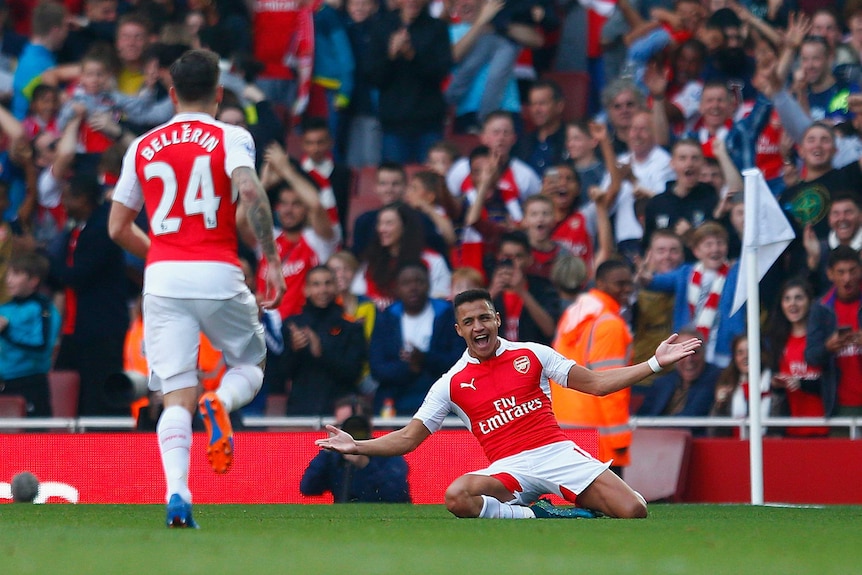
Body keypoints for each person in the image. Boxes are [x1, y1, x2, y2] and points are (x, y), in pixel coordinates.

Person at [316, 288, 700, 519]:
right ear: (459, 330)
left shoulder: (533, 354)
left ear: (497, 320)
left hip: (556, 453)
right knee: (457, 497)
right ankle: (536, 515)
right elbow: (409, 439)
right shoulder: (450, 383)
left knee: (635, 510)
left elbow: (598, 384)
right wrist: (356, 445)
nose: (478, 327)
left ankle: (568, 502)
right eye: (469, 322)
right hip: (510, 470)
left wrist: (653, 362)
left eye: (485, 317)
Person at [108, 49, 286, 528]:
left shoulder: (142, 145)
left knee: (174, 396)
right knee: (249, 363)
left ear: (171, 94)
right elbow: (250, 192)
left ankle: (178, 495)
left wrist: (162, 256)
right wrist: (271, 259)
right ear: (219, 93)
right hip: (219, 270)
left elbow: (117, 226)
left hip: (163, 278)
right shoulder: (231, 136)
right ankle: (221, 402)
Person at [49, 173, 129, 416]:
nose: (64, 204)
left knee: (98, 395)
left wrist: (48, 263)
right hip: (77, 329)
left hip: (101, 329)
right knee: (66, 390)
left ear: (83, 199)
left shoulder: (102, 227)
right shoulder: (79, 228)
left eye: (68, 198)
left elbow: (78, 276)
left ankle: (102, 446)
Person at [551, 259, 636, 473]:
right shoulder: (610, 324)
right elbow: (611, 386)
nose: (626, 289)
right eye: (619, 283)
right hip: (602, 437)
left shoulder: (574, 315)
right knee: (616, 506)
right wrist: (619, 439)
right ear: (600, 283)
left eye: (629, 283)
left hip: (568, 429)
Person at [369, 260, 465, 413]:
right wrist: (409, 367)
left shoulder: (447, 314)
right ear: (397, 288)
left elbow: (459, 360)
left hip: (441, 396)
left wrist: (424, 359)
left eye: (419, 281)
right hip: (396, 397)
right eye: (406, 283)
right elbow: (377, 368)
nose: (413, 288)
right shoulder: (386, 317)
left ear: (428, 284)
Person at [280, 265, 367, 416]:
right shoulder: (292, 325)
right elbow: (279, 375)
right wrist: (293, 350)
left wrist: (321, 352)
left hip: (340, 413)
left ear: (336, 287)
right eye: (316, 284)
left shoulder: (352, 327)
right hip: (301, 412)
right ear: (306, 290)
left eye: (328, 283)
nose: (323, 290)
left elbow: (354, 373)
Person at [301, 398, 410, 503]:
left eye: (354, 424)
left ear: (368, 424)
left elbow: (397, 494)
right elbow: (308, 488)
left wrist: (365, 464)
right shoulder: (334, 457)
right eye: (342, 425)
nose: (348, 430)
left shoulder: (387, 452)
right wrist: (328, 450)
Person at [766, 277, 831, 437]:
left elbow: (832, 382)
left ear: (810, 302)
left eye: (798, 298)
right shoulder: (777, 341)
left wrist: (801, 383)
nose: (792, 304)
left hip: (826, 427)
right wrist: (776, 384)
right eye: (787, 299)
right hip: (791, 428)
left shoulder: (824, 338)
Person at [805, 246, 862, 425]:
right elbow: (811, 356)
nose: (847, 278)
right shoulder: (820, 308)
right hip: (839, 408)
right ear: (830, 274)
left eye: (852, 271)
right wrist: (828, 347)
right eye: (841, 272)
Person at [0, 251, 61, 417]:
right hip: (4, 384)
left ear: (33, 280)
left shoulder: (44, 309)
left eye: (17, 274)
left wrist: (7, 332)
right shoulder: (5, 308)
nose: (9, 280)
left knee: (33, 438)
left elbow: (41, 346)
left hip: (30, 384)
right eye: (9, 274)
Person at [637, 327, 719, 433]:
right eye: (683, 353)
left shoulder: (715, 378)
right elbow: (641, 418)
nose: (689, 359)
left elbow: (691, 418)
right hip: (654, 443)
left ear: (704, 353)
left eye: (695, 352)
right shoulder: (662, 383)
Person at [709, 334, 772, 436]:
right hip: (735, 447)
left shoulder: (774, 385)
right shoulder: (727, 385)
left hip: (771, 447)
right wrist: (720, 405)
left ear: (761, 354)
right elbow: (714, 432)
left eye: (751, 350)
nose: (745, 357)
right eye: (740, 352)